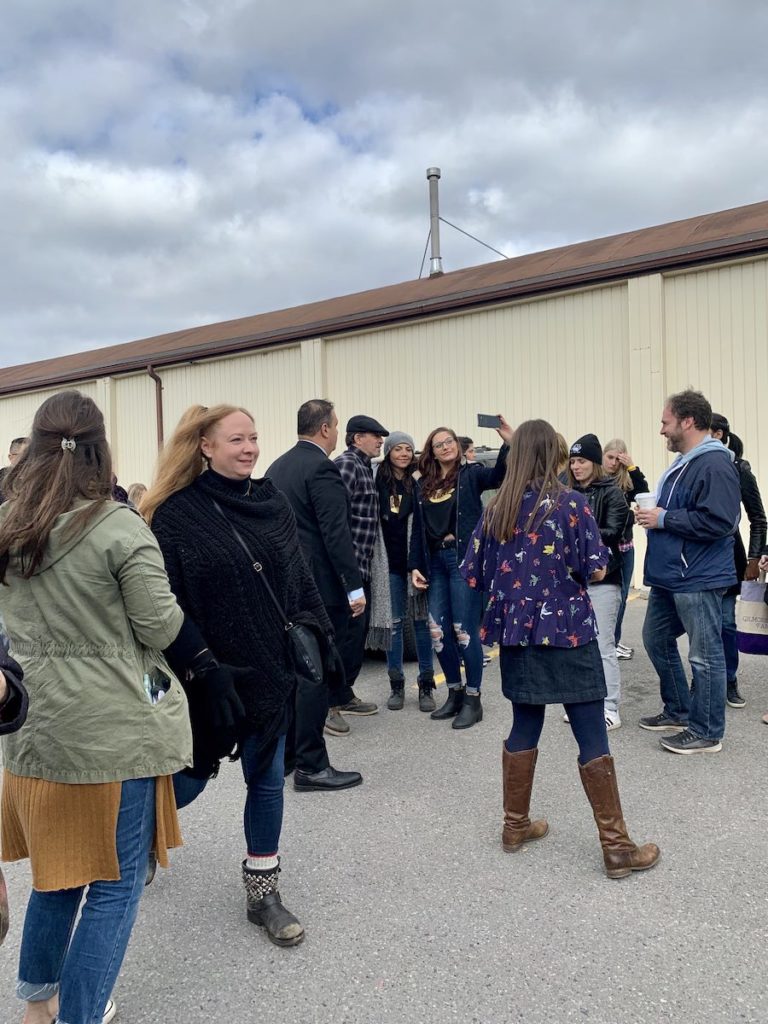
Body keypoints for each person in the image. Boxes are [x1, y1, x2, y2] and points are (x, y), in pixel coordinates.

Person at [0, 391, 192, 1024]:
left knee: (55, 881)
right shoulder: (116, 525)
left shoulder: (9, 527)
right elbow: (160, 625)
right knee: (113, 887)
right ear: (98, 447)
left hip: (34, 733)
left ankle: (36, 1009)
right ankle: (80, 1015)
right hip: (112, 734)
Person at [142, 403, 336, 947]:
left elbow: (295, 577)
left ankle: (263, 895)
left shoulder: (271, 501)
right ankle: (139, 843)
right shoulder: (177, 514)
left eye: (253, 438)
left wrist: (322, 635)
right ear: (205, 446)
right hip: (206, 677)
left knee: (268, 781)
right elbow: (164, 605)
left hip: (270, 673)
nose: (249, 448)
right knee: (188, 781)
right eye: (236, 440)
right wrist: (201, 667)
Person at [460, 419, 659, 878]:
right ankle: (616, 849)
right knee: (591, 731)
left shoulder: (496, 511)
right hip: (567, 629)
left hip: (517, 635)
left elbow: (474, 573)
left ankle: (515, 826)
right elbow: (595, 567)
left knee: (525, 723)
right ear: (551, 456)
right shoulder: (571, 505)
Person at [636, 389, 741, 754]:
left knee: (705, 654)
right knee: (655, 638)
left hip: (697, 575)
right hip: (673, 576)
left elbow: (721, 521)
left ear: (688, 421)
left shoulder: (713, 464)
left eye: (666, 422)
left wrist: (663, 517)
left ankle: (707, 731)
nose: (662, 430)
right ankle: (679, 709)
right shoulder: (688, 462)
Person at [266, 399, 364, 787]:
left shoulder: (277, 466)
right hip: (317, 588)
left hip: (283, 584)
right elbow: (336, 533)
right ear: (325, 429)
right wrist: (354, 586)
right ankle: (311, 764)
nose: (336, 432)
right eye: (336, 426)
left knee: (296, 672)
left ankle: (290, 755)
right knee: (314, 675)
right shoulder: (321, 468)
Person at [410, 418, 513, 730]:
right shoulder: (424, 483)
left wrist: (508, 441)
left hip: (462, 560)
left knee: (463, 629)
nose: (445, 446)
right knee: (437, 632)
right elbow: (417, 530)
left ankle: (473, 698)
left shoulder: (471, 475)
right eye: (439, 444)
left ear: (457, 445)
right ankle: (454, 693)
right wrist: (415, 565)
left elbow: (501, 475)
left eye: (449, 441)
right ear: (432, 451)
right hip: (434, 563)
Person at [331, 415, 390, 728]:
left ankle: (343, 693)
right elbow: (335, 517)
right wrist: (347, 571)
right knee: (342, 636)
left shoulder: (366, 466)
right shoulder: (347, 465)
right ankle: (328, 705)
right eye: (375, 435)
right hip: (348, 570)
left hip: (363, 567)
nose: (381, 440)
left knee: (356, 636)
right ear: (356, 438)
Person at [567, 435, 628, 730]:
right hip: (571, 580)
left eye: (581, 461)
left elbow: (613, 532)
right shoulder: (565, 492)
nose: (576, 466)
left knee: (603, 645)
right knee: (577, 646)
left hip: (604, 579)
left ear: (594, 462)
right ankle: (582, 704)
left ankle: (610, 707)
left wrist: (575, 533)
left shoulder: (613, 493)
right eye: (573, 461)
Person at [375, 431, 435, 711]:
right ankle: (396, 684)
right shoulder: (377, 482)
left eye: (408, 449)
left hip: (416, 563)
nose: (403, 454)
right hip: (389, 564)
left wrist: (418, 563)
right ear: (388, 452)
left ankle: (426, 686)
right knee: (396, 625)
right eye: (397, 448)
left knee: (422, 623)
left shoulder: (418, 484)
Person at [709, 414, 767, 708]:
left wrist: (754, 558)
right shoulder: (693, 465)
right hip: (697, 559)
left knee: (725, 622)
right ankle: (706, 679)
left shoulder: (739, 469)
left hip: (731, 557)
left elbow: (758, 517)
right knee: (702, 624)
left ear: (717, 434)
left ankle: (729, 678)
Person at [602, 439, 650, 660]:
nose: (613, 463)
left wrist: (632, 467)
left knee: (621, 597)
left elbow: (644, 493)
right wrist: (630, 517)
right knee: (606, 597)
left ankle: (615, 640)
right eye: (610, 457)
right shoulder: (597, 481)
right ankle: (606, 642)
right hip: (606, 548)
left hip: (625, 547)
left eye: (617, 459)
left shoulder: (625, 482)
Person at [0, 438, 29, 503]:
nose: (29, 459)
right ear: (11, 457)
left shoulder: (37, 478)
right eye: (25, 456)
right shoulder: (2, 479)